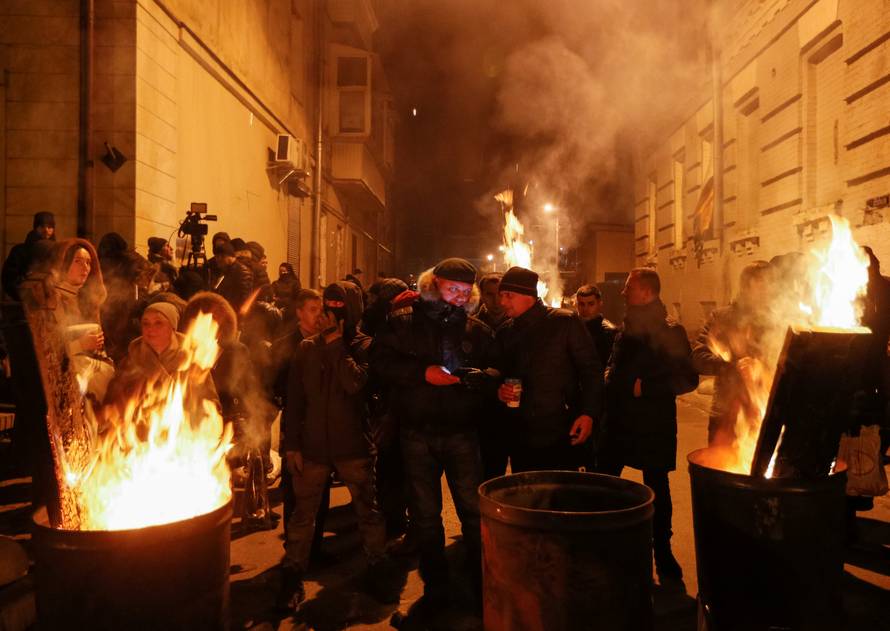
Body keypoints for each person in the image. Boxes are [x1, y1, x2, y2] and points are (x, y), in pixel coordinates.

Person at [371, 258, 496, 607]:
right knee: (425, 516)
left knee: (473, 511)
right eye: (452, 288)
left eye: (465, 291)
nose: (459, 297)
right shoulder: (403, 322)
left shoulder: (475, 329)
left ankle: (482, 585)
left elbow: (497, 367)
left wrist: (485, 378)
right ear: (434, 283)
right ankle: (436, 587)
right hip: (417, 432)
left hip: (461, 432)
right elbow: (379, 363)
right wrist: (421, 373)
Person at [278, 281, 395, 610]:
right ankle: (291, 577)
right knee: (302, 517)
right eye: (326, 307)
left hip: (353, 446)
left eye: (337, 308)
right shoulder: (306, 349)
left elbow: (355, 384)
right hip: (313, 447)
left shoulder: (365, 346)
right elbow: (295, 401)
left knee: (368, 513)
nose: (328, 315)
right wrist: (292, 445)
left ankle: (377, 568)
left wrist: (335, 346)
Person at [597, 268, 698, 581]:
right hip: (617, 421)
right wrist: (609, 375)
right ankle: (600, 544)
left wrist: (647, 388)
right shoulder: (627, 326)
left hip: (652, 424)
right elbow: (617, 363)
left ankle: (662, 552)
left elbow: (688, 379)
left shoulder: (671, 331)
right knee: (604, 483)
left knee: (657, 488)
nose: (623, 292)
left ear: (646, 291)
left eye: (629, 287)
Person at [494, 266, 602, 473]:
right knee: (527, 490)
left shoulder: (564, 322)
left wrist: (589, 413)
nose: (502, 302)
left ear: (528, 295)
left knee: (562, 489)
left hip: (563, 430)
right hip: (522, 435)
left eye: (508, 295)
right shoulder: (505, 332)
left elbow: (591, 371)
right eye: (501, 295)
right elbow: (499, 373)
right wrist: (499, 390)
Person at [691, 261, 771, 447]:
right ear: (747, 286)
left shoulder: (775, 322)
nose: (769, 290)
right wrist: (732, 364)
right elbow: (698, 358)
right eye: (763, 284)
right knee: (719, 463)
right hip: (726, 414)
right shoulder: (722, 318)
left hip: (764, 412)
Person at [104, 301, 217, 415]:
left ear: (172, 327)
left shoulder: (192, 358)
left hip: (184, 423)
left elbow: (210, 400)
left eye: (158, 323)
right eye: (146, 324)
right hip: (142, 424)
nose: (150, 329)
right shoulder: (131, 360)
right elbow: (112, 402)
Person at [2, 211, 56, 301]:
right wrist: (25, 285)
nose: (46, 230)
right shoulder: (19, 251)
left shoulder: (57, 252)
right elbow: (8, 279)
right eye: (42, 226)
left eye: (50, 227)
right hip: (23, 302)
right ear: (35, 228)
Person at [575, 284, 618, 366]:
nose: (585, 309)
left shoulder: (609, 332)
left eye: (591, 304)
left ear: (599, 304)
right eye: (581, 304)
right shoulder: (572, 328)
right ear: (576, 304)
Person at [213, 241, 253, 314]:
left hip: (235, 314)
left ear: (228, 256)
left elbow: (244, 299)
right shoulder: (226, 271)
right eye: (217, 257)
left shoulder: (242, 272)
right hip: (227, 312)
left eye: (220, 257)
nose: (217, 260)